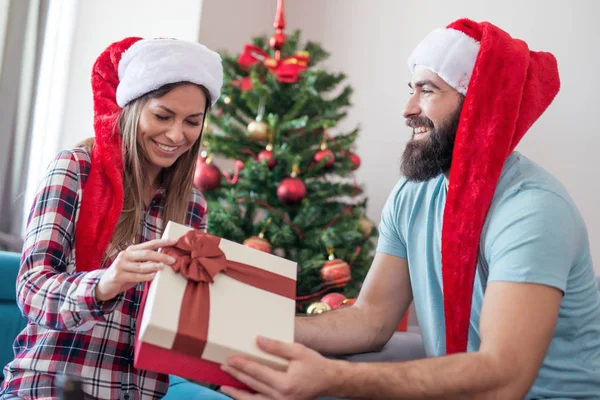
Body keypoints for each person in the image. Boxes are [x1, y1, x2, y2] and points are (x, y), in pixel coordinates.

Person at [218, 18, 600, 400]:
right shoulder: (414, 193)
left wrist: (330, 378)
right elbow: (371, 319)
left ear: (477, 105)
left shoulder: (532, 210)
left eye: (428, 91)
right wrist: (260, 329)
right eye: (411, 89)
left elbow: (504, 379)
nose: (408, 108)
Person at [0, 37, 229, 399]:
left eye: (192, 121)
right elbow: (31, 291)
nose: (175, 134)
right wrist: (105, 283)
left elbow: (177, 326)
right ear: (133, 107)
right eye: (162, 116)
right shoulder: (76, 169)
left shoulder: (192, 205)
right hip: (48, 387)